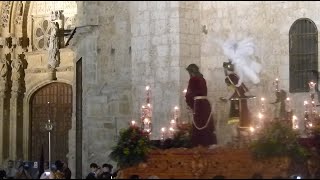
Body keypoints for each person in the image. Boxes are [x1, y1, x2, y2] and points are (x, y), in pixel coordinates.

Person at [185, 63, 217, 147]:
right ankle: (208, 142)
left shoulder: (192, 80)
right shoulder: (203, 79)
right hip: (205, 103)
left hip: (198, 105)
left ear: (191, 72)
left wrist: (189, 103)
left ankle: (199, 143)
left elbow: (189, 94)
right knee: (205, 122)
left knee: (199, 122)